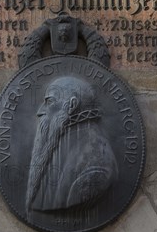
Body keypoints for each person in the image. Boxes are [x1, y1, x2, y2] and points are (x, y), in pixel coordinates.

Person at [26, 76, 118, 212]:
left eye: (49, 101)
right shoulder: (63, 143)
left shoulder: (95, 168)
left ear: (72, 105)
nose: (40, 111)